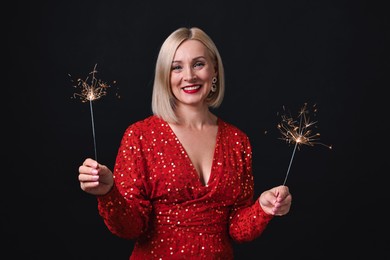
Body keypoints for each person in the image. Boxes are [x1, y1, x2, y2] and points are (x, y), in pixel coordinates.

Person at [78, 27, 292, 259]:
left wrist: (263, 207)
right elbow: (131, 228)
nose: (189, 76)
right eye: (177, 67)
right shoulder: (140, 136)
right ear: (165, 76)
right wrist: (108, 193)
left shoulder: (237, 141)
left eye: (198, 64)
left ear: (215, 71)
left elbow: (238, 230)